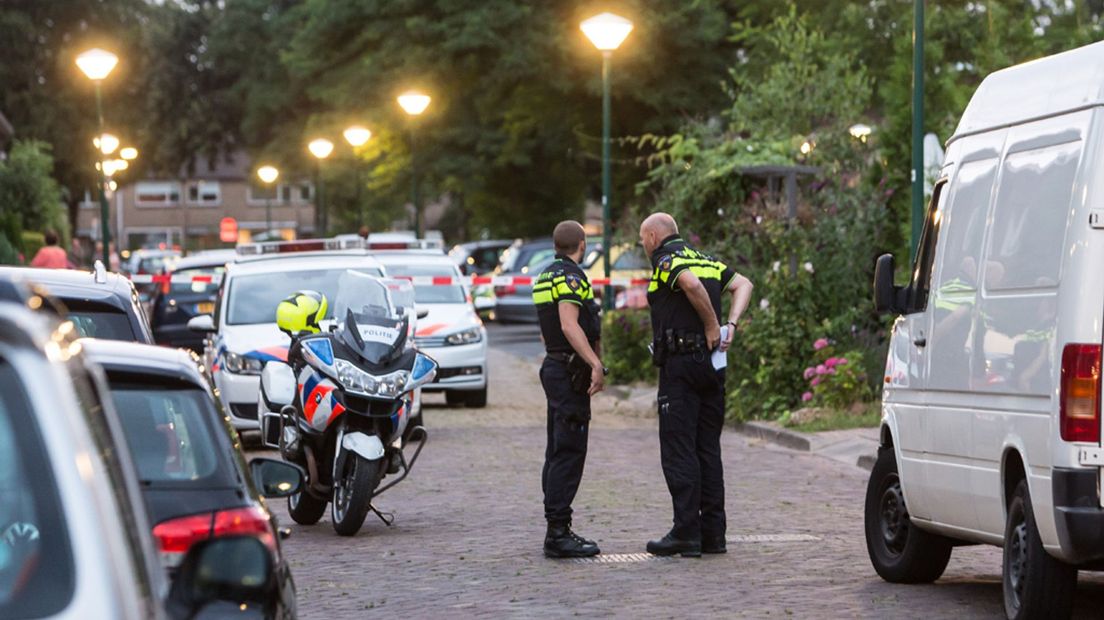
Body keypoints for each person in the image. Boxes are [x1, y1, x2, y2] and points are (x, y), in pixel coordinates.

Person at [639, 212, 753, 557]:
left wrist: (712, 325)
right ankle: (713, 533)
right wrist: (731, 325)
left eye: (643, 238)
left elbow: (689, 284)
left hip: (681, 365)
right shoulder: (706, 258)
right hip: (712, 366)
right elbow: (744, 284)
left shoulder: (666, 259)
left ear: (655, 236)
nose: (643, 245)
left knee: (679, 448)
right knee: (708, 448)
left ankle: (686, 533)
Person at [532, 220, 606, 558]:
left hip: (554, 366)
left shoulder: (545, 275)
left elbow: (549, 330)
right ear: (582, 243)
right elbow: (568, 323)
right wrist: (595, 363)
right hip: (568, 370)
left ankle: (556, 525)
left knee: (557, 448)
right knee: (569, 450)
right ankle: (558, 532)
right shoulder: (572, 277)